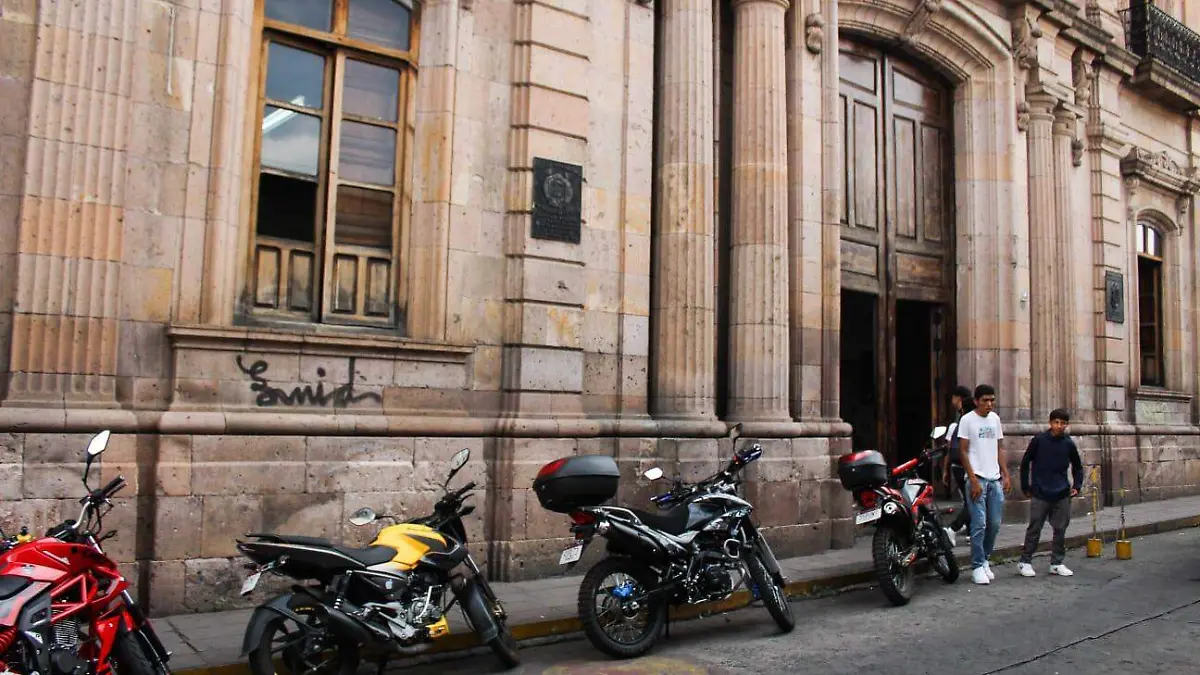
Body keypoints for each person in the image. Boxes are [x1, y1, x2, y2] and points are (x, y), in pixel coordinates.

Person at [1017, 408, 1083, 577]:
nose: (1059, 426)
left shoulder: (1068, 443)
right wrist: (1025, 486)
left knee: (1060, 529)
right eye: (1056, 422)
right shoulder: (1039, 441)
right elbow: (1025, 463)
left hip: (1061, 492)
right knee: (1035, 528)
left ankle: (1056, 562)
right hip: (1040, 491)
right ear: (1050, 423)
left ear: (1067, 425)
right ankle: (1025, 561)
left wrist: (1077, 485)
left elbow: (1077, 466)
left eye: (1063, 423)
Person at [956, 384, 1009, 585]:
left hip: (994, 478)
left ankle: (985, 558)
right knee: (979, 523)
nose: (989, 404)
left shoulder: (995, 419)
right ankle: (977, 565)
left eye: (992, 400)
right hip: (977, 476)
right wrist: (972, 479)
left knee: (994, 523)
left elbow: (999, 448)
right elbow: (963, 450)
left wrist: (1005, 473)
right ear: (976, 401)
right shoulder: (967, 420)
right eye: (985, 400)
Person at [941, 385, 974, 534]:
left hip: (963, 466)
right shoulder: (962, 421)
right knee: (972, 501)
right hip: (964, 466)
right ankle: (958, 528)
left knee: (971, 501)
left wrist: (946, 469)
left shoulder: (962, 421)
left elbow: (951, 449)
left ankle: (959, 528)